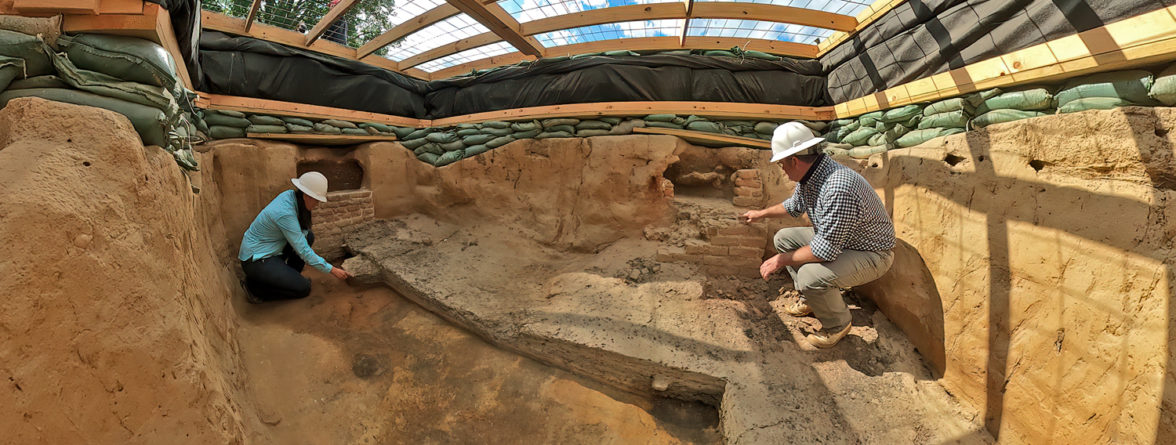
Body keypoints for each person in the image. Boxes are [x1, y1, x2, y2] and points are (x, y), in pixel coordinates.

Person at [742, 122, 896, 348]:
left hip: (870, 253)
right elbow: (794, 205)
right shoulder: (813, 175)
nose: (782, 169)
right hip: (844, 241)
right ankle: (812, 299)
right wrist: (761, 214)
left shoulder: (837, 187)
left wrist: (780, 260)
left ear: (794, 160)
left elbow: (825, 250)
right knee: (784, 239)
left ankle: (837, 324)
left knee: (809, 275)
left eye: (782, 163)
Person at [239, 171, 352, 303]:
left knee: (308, 236)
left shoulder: (292, 196)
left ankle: (289, 278)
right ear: (307, 196)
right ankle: (254, 289)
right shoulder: (285, 213)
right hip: (256, 259)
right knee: (303, 289)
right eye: (316, 200)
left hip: (272, 249)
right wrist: (332, 269)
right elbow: (303, 251)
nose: (317, 204)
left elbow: (302, 237)